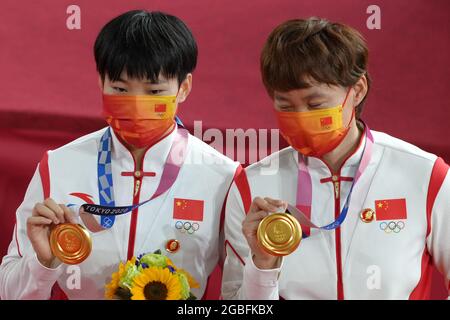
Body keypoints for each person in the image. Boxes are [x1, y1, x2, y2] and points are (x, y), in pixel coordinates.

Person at [0, 10, 239, 300]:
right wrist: (42, 264)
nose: (137, 105)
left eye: (154, 92)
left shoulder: (223, 176)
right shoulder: (59, 165)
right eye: (120, 89)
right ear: (101, 82)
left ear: (183, 88)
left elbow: (243, 298)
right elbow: (9, 293)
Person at [222, 17, 449, 300]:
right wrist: (263, 266)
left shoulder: (426, 175)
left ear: (357, 90)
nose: (302, 117)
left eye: (315, 104)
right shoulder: (250, 187)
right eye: (285, 106)